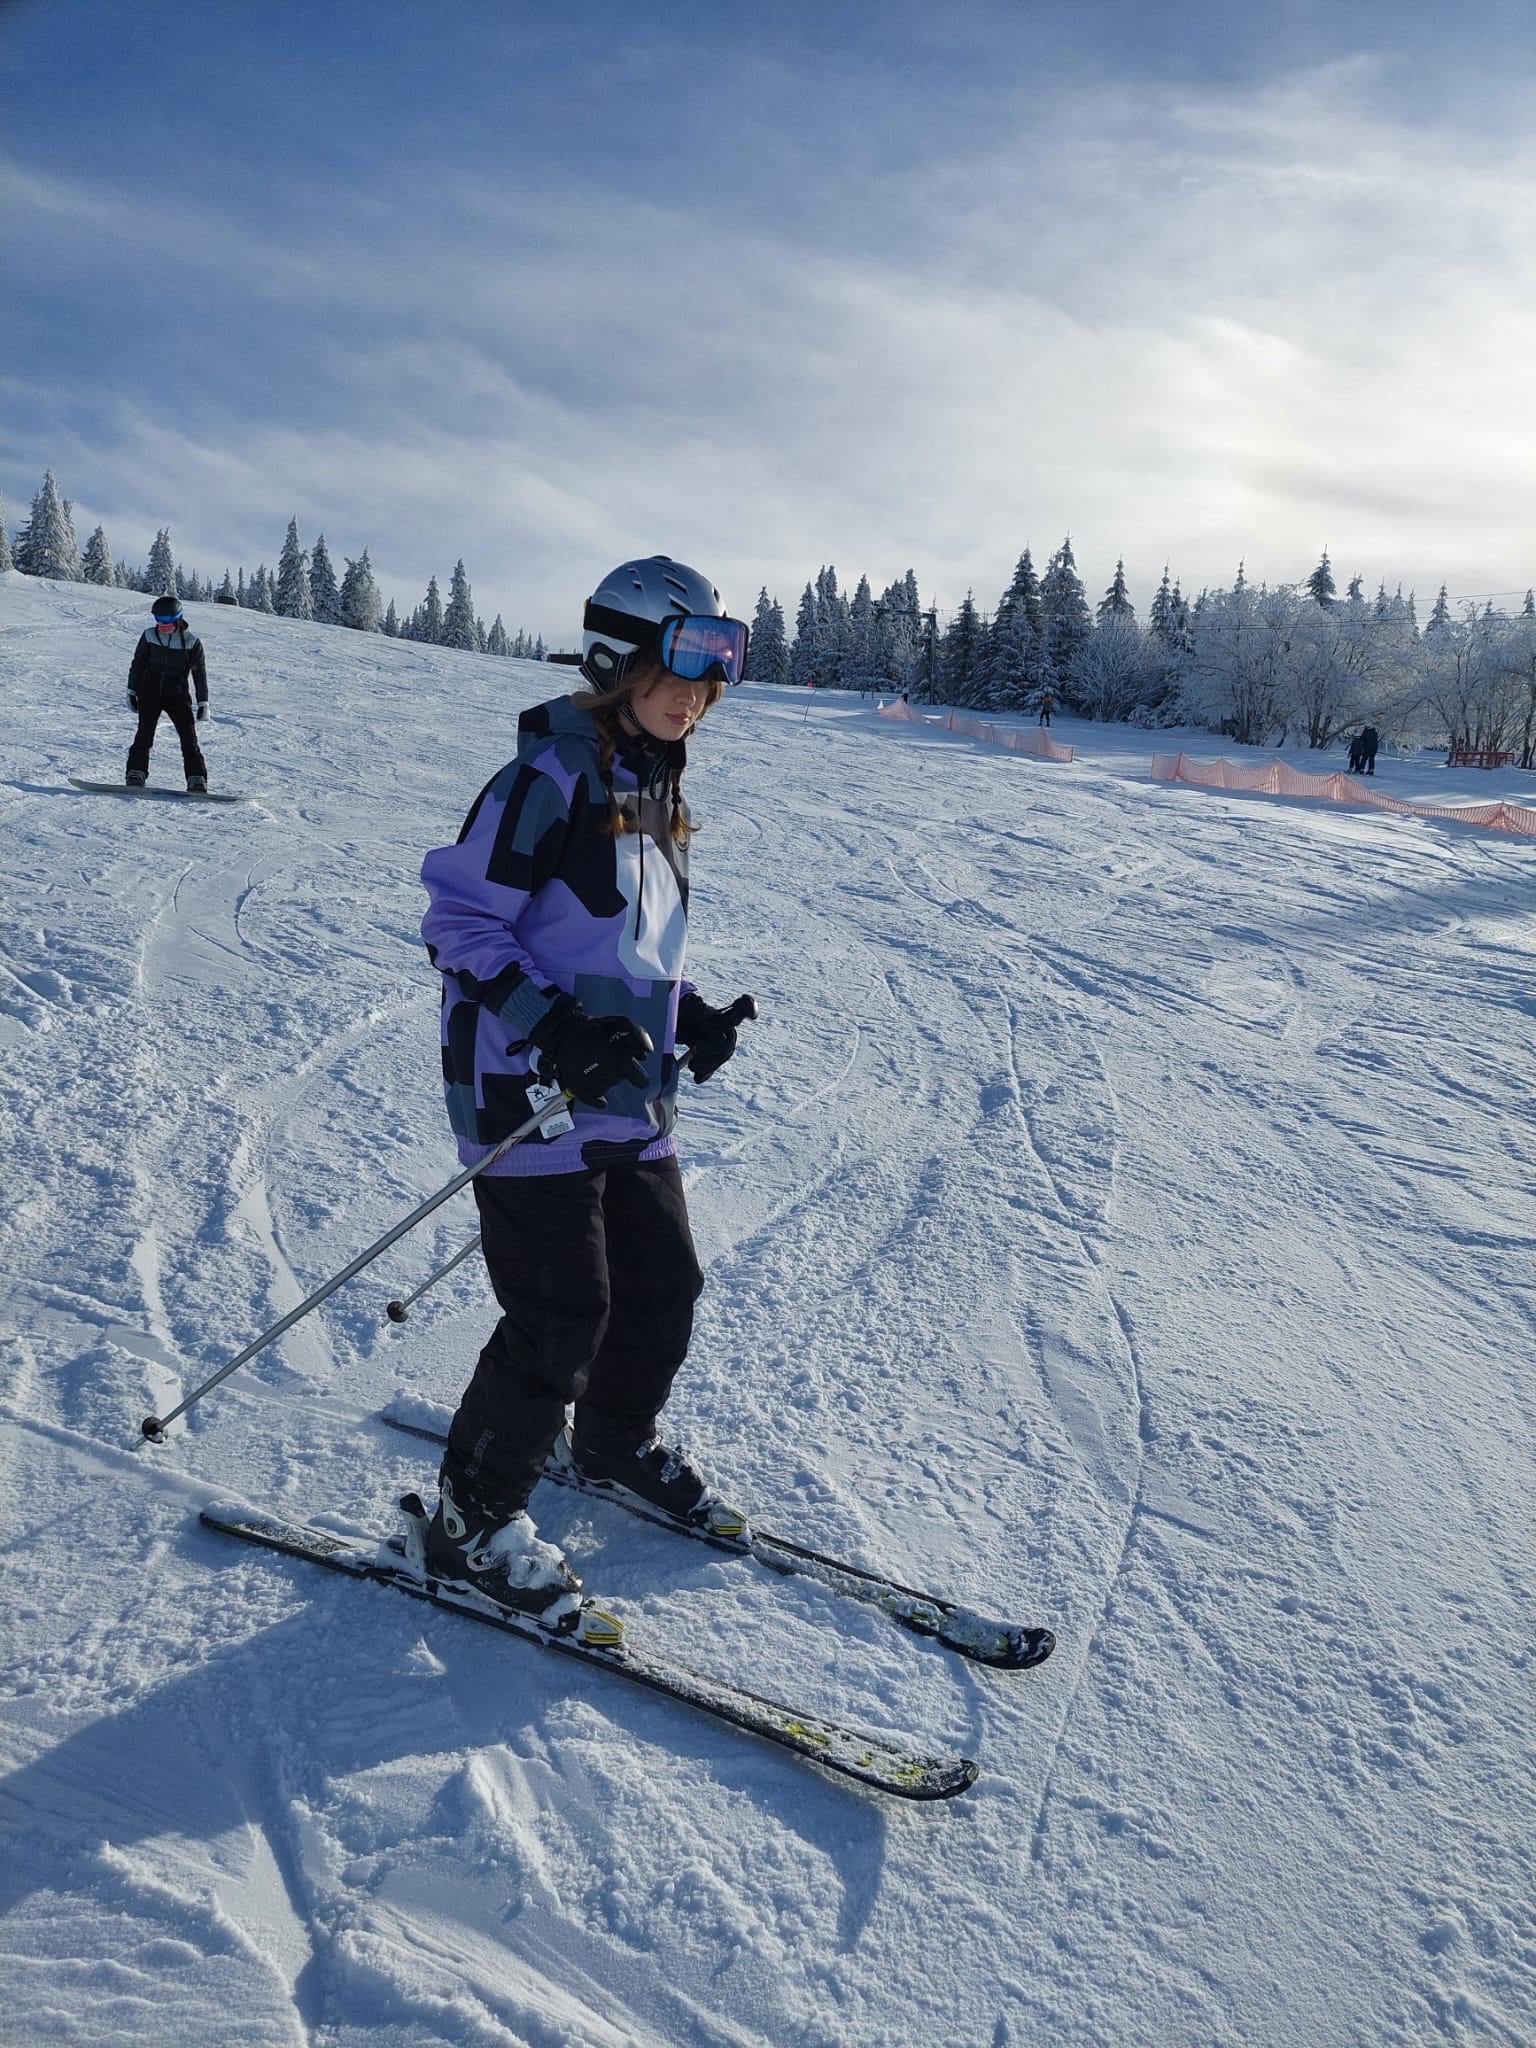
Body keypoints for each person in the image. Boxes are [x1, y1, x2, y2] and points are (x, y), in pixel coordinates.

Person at [416, 556, 756, 1625]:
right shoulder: (546, 780)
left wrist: (684, 1011)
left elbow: (623, 942)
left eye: (710, 681)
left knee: (663, 1288)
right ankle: (469, 1520)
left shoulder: (652, 790)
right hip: (528, 1089)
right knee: (562, 1314)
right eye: (677, 673)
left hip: (625, 1090)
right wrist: (554, 1027)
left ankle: (608, 1441)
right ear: (615, 664)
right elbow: (459, 921)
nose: (694, 698)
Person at [127, 596, 209, 790]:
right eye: (158, 619)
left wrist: (203, 702)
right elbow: (138, 664)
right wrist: (131, 690)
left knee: (189, 738)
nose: (161, 624)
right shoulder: (149, 636)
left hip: (177, 696)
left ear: (177, 618)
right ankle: (136, 773)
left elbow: (199, 674)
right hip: (149, 692)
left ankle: (196, 778)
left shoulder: (192, 642)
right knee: (144, 735)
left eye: (166, 620)